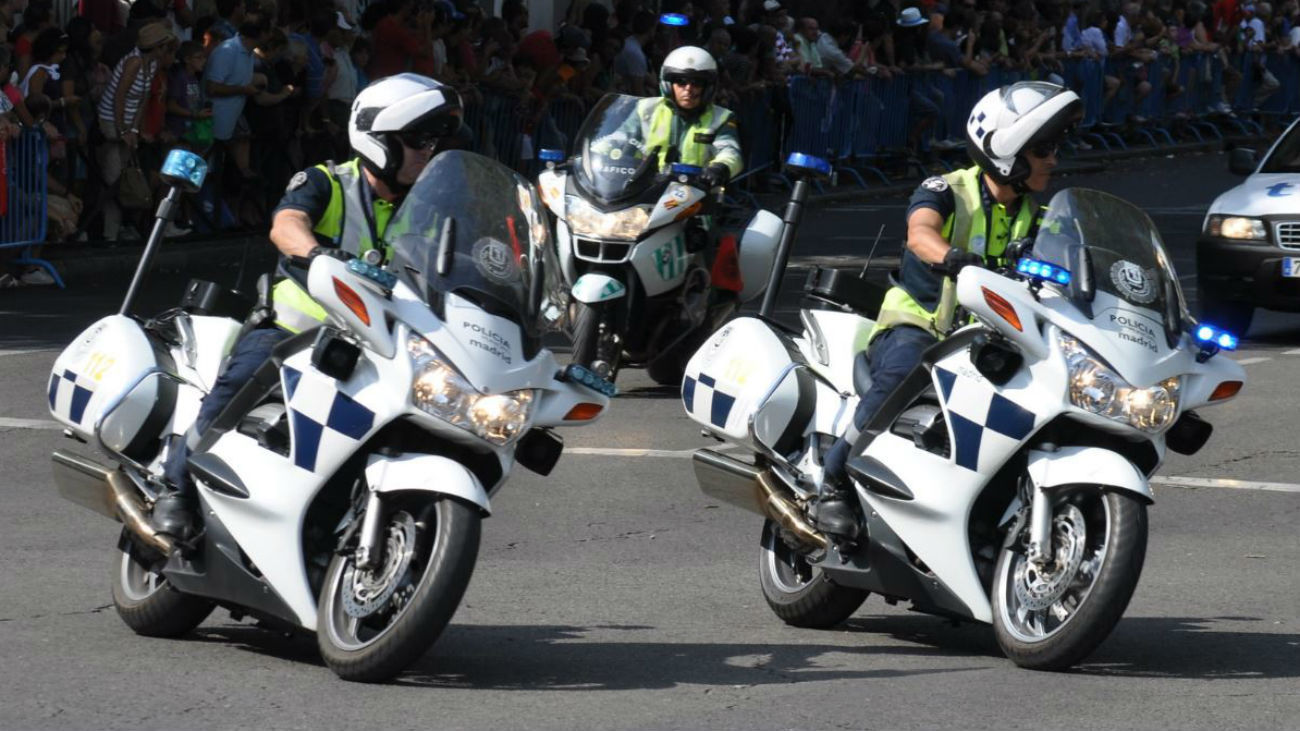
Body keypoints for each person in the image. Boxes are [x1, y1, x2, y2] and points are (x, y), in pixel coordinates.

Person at [152, 73, 466, 540]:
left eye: (434, 141)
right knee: (239, 386)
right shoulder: (328, 182)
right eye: (418, 139)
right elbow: (286, 225)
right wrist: (317, 253)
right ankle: (174, 485)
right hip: (295, 333)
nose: (428, 150)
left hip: (383, 347)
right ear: (379, 142)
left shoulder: (433, 210)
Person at [816, 82, 1082, 537]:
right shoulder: (947, 189)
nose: (1053, 159)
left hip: (994, 340)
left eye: (1055, 148)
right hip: (922, 327)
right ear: (1007, 153)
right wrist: (949, 256)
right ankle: (834, 481)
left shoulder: (1041, 216)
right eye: (1042, 149)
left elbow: (1076, 267)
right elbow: (919, 232)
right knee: (902, 375)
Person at [621, 45, 744, 188]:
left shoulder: (721, 118)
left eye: (696, 83)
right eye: (681, 82)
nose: (688, 89)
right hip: (643, 189)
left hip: (696, 193)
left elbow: (730, 151)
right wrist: (603, 155)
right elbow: (617, 139)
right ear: (668, 84)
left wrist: (719, 168)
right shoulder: (646, 109)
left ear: (708, 87)